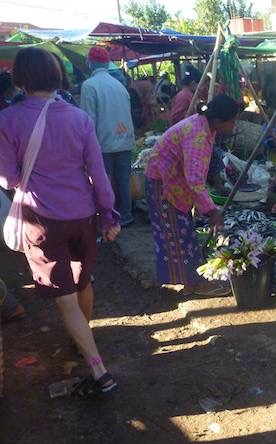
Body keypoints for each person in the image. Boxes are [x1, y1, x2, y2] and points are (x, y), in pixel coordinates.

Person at [0, 47, 120, 397]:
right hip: (83, 215)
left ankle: (98, 369)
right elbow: (98, 171)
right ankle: (82, 337)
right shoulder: (78, 118)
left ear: (19, 79)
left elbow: (8, 179)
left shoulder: (7, 121)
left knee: (64, 298)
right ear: (57, 77)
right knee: (83, 282)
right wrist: (108, 212)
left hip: (41, 219)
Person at [145, 95, 240, 296]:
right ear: (217, 121)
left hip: (174, 180)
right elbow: (195, 181)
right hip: (164, 183)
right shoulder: (197, 135)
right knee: (177, 234)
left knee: (182, 231)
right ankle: (193, 283)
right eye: (232, 121)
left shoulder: (206, 127)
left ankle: (187, 281)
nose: (234, 125)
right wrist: (212, 211)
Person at [80, 46, 135, 227]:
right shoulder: (118, 84)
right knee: (123, 180)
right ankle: (126, 216)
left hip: (103, 142)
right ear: (107, 63)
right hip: (125, 140)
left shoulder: (89, 85)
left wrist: (86, 148)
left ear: (90, 63)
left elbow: (88, 120)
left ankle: (109, 217)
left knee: (105, 181)